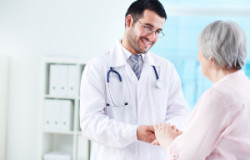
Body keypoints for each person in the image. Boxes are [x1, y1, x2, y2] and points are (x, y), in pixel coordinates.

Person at [80, 0, 190, 159]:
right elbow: (90, 123)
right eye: (148, 27)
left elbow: (180, 113)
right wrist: (134, 133)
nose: (152, 37)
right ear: (129, 21)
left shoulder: (165, 69)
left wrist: (166, 130)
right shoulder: (97, 67)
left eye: (158, 31)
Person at [154, 20, 250, 160]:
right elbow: (227, 141)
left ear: (211, 59)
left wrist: (166, 139)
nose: (198, 57)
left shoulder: (218, 96)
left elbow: (184, 157)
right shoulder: (244, 87)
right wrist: (185, 139)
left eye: (199, 50)